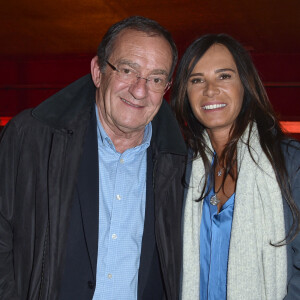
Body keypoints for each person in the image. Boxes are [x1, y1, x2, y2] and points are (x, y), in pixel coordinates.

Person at [0, 16, 187, 300]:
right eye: (127, 70)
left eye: (156, 79)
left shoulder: (184, 164)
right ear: (98, 72)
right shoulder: (30, 139)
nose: (140, 90)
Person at [171, 34, 300, 299]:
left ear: (245, 84)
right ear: (186, 92)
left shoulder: (290, 164)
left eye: (224, 76)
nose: (210, 89)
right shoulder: (180, 171)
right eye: (197, 80)